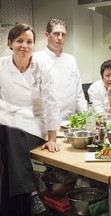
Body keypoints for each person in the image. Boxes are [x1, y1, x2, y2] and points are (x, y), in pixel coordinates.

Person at [0, 23, 60, 216]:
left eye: (29, 42)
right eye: (19, 41)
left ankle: (31, 194)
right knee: (10, 129)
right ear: (10, 43)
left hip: (35, 126)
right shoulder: (1, 66)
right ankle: (30, 196)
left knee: (11, 135)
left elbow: (51, 102)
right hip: (6, 124)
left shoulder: (42, 68)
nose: (24, 45)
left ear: (34, 45)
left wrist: (52, 138)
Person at [34, 18, 87, 121]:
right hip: (45, 123)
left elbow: (79, 95)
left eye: (63, 34)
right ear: (47, 35)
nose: (60, 38)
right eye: (56, 34)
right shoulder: (36, 59)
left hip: (70, 123)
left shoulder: (71, 60)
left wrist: (87, 118)